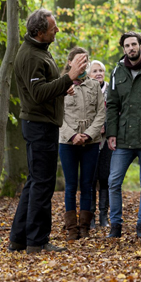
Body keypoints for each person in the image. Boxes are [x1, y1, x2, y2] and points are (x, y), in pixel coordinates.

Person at [8, 9, 88, 254]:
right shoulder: (32, 56)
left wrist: (63, 86)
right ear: (40, 32)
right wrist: (69, 77)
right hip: (39, 126)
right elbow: (38, 94)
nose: (58, 30)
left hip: (42, 123)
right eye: (54, 28)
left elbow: (44, 88)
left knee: (35, 183)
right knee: (43, 185)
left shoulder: (39, 50)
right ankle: (37, 241)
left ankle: (20, 239)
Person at [106, 32, 141, 239]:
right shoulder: (117, 72)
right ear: (123, 49)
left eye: (134, 44)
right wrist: (111, 133)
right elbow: (112, 105)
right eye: (127, 45)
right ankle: (115, 226)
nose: (131, 48)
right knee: (113, 181)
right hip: (123, 137)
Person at [59, 47, 105, 241]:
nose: (83, 64)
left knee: (87, 184)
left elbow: (101, 113)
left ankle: (85, 227)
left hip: (91, 142)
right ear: (70, 63)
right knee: (70, 185)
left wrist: (87, 134)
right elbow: (57, 115)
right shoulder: (61, 86)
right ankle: (71, 228)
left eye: (85, 60)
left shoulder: (94, 86)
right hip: (67, 143)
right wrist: (72, 136)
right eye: (79, 60)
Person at [89, 60, 111, 228]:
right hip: (90, 141)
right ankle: (90, 217)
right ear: (89, 74)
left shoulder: (111, 90)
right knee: (90, 179)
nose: (98, 73)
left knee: (105, 178)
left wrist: (107, 128)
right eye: (95, 70)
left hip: (107, 141)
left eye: (101, 71)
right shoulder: (85, 90)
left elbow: (117, 111)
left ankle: (104, 215)